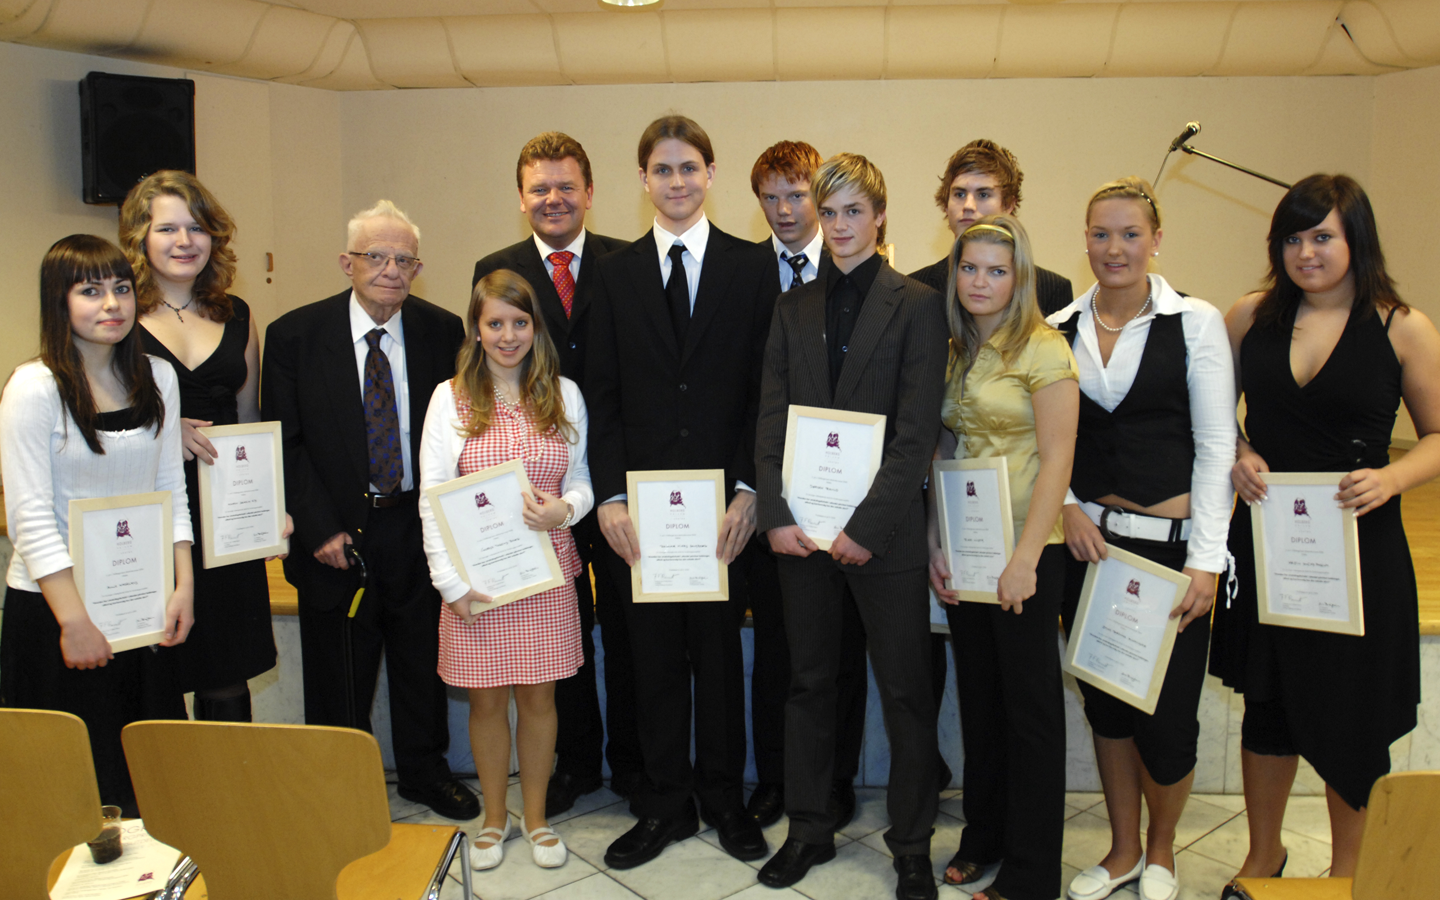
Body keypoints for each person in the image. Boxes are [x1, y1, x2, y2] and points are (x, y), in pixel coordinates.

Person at [1211, 174, 1440, 891]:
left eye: (1322, 236)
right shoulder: (1248, 317)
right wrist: (1240, 455)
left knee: (1354, 713)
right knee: (1267, 704)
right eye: (1292, 237)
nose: (1305, 252)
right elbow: (1215, 422)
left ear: (1355, 240)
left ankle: (1349, 871)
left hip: (1359, 546)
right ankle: (1262, 856)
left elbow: (1438, 435)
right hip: (1271, 544)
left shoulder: (1402, 326)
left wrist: (1394, 478)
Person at [754, 153, 948, 900]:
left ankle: (911, 846)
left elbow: (915, 430)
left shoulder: (920, 303)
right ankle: (809, 831)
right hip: (801, 538)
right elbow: (771, 418)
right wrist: (774, 514)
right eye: (827, 213)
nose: (837, 226)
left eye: (852, 212)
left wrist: (867, 526)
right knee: (807, 685)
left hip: (886, 537)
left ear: (880, 215)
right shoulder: (790, 306)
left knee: (904, 693)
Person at [586, 114, 777, 870]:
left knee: (722, 657)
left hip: (725, 508)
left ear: (710, 173)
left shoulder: (750, 266)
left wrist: (748, 489)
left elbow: (766, 387)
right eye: (662, 170)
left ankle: (724, 798)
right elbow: (600, 394)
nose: (676, 182)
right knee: (653, 659)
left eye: (688, 168)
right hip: (643, 512)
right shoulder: (615, 272)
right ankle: (665, 803)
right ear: (642, 181)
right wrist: (607, 498)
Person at [1048, 177, 1236, 900]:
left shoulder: (1196, 322)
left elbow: (1217, 447)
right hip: (1093, 548)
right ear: (1085, 240)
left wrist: (1206, 562)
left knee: (1168, 721)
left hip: (1172, 548)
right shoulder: (1060, 325)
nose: (1114, 247)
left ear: (1157, 239)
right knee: (1107, 707)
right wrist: (1066, 505)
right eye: (1101, 233)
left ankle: (1163, 850)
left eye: (1130, 233)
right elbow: (1050, 439)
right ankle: (1123, 849)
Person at [261, 200, 476, 820]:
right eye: (374, 256)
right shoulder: (295, 336)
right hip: (332, 531)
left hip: (414, 524)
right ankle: (336, 784)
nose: (389, 269)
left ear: (418, 267)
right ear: (346, 263)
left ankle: (424, 774)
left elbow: (461, 431)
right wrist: (318, 526)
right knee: (338, 669)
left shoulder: (442, 333)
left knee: (420, 661)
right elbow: (285, 441)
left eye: (402, 259)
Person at [471, 132, 640, 816]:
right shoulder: (498, 268)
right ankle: (576, 764)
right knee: (559, 632)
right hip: (539, 486)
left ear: (590, 193)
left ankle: (632, 762)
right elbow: (488, 368)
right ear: (521, 197)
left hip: (617, 479)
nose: (553, 198)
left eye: (566, 186)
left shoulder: (627, 264)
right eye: (539, 187)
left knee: (627, 626)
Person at [0, 235, 195, 816]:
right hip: (56, 615)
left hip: (139, 607)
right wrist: (74, 621)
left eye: (121, 289)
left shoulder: (158, 376)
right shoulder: (33, 387)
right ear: (59, 303)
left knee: (150, 783)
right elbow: (27, 517)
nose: (111, 304)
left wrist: (182, 585)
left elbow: (170, 491)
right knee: (73, 795)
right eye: (90, 291)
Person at [418, 270, 593, 869]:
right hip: (477, 583)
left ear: (536, 327)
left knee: (540, 701)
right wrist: (452, 584)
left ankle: (537, 818)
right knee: (487, 703)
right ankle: (495, 820)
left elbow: (583, 482)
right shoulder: (450, 398)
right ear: (477, 328)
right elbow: (432, 493)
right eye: (495, 323)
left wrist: (565, 509)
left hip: (543, 574)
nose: (508, 335)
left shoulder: (564, 394)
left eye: (520, 323)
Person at [928, 216, 1079, 900]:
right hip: (968, 548)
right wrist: (938, 543)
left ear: (1018, 279)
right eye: (970, 268)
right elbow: (946, 449)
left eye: (996, 270)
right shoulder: (955, 348)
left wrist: (1025, 559)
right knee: (981, 706)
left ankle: (1031, 873)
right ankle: (982, 836)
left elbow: (1057, 462)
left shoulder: (1045, 351)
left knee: (1031, 716)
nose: (980, 281)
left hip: (1026, 551)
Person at [119, 170, 288, 722]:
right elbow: (94, 422)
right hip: (153, 508)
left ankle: (228, 800)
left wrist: (269, 508)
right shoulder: (116, 318)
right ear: (140, 237)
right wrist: (166, 434)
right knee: (155, 664)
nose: (184, 241)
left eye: (196, 227)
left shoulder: (236, 313)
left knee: (225, 663)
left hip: (223, 508)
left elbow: (248, 419)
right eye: (166, 228)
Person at [745, 138, 869, 829]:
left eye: (800, 195)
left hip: (848, 506)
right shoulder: (741, 276)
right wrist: (762, 497)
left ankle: (837, 780)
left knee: (842, 652)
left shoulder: (860, 277)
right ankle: (776, 781)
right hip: (778, 501)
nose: (787, 209)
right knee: (778, 652)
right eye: (774, 196)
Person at [910, 140, 1073, 316]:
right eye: (959, 194)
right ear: (946, 203)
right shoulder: (915, 288)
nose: (968, 205)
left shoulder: (1051, 289)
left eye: (983, 194)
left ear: (1009, 204)